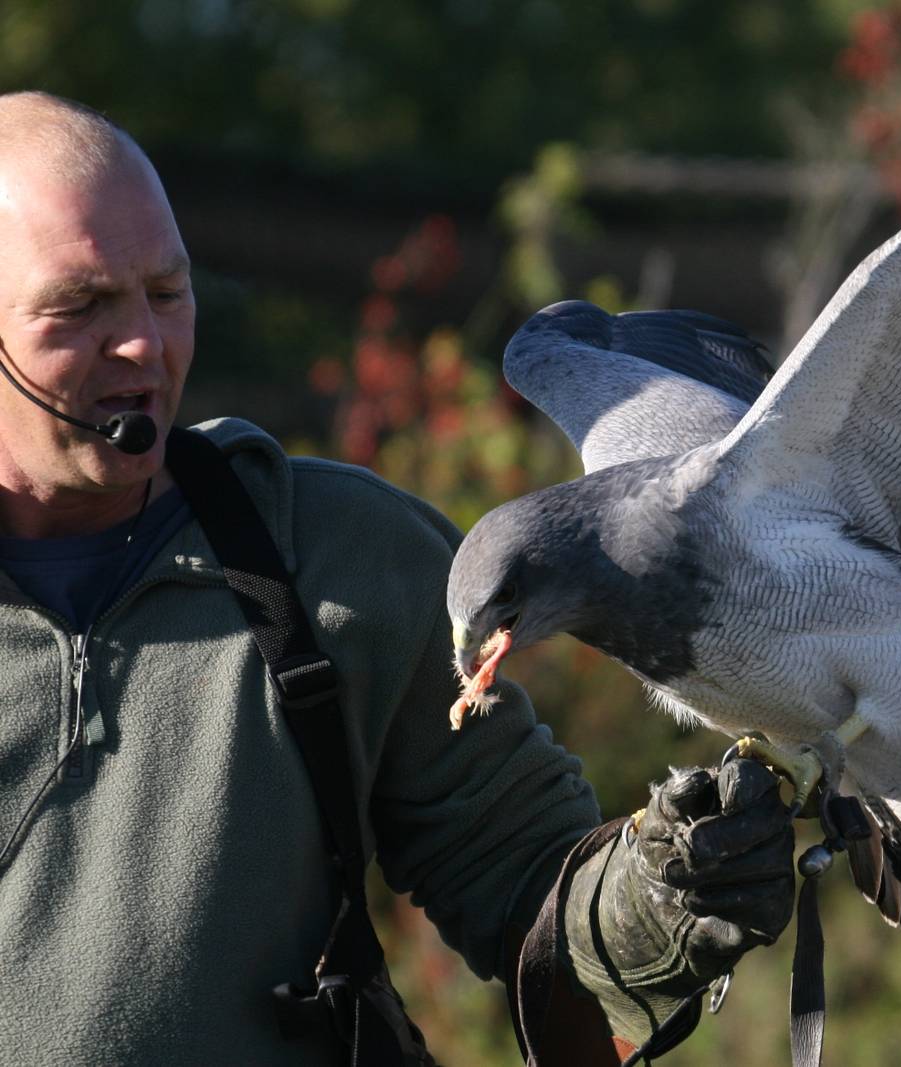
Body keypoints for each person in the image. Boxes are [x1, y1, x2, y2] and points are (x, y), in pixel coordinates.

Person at [0, 92, 795, 1064]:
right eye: (79, 307)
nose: (144, 345)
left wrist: (658, 891)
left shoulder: (341, 561)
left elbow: (526, 879)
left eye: (167, 292)